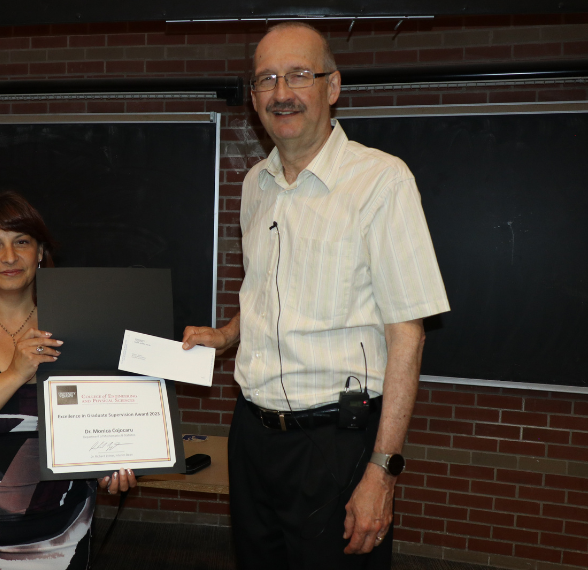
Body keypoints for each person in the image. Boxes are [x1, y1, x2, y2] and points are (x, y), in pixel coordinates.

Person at [182, 22, 450, 569]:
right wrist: (227, 334)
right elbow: (270, 289)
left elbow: (408, 336)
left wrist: (382, 469)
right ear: (254, 98)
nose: (282, 92)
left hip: (337, 444)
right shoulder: (254, 184)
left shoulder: (382, 182)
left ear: (332, 87)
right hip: (252, 437)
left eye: (299, 74)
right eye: (267, 79)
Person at [0, 192, 136, 569]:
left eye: (21, 242)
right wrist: (16, 373)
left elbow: (106, 415)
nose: (9, 257)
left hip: (63, 526)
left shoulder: (78, 323)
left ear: (39, 253)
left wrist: (112, 461)